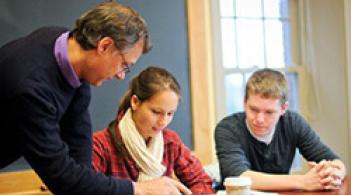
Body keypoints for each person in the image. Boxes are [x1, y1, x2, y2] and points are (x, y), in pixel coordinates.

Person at [0, 2, 190, 195]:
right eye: (124, 64)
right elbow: (62, 176)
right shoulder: (31, 89)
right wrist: (138, 189)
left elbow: (78, 138)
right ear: (104, 46)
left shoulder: (66, 51)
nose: (121, 76)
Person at [215, 68, 346, 192]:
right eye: (254, 109)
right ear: (244, 102)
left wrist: (335, 173)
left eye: (269, 112)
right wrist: (303, 181)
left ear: (283, 109)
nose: (260, 119)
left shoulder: (293, 123)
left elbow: (333, 160)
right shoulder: (227, 128)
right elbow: (239, 178)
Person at [92, 66, 215, 194]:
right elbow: (86, 190)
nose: (163, 122)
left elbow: (201, 181)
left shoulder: (170, 142)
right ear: (135, 102)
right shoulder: (100, 145)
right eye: (156, 112)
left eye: (170, 114)